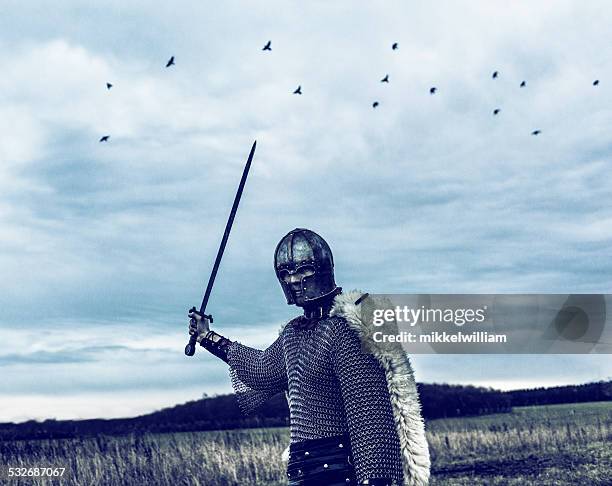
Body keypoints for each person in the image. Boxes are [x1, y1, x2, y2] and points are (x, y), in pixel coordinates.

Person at [189, 228, 430, 485]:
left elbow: (370, 422)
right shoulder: (293, 333)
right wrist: (207, 337)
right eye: (286, 273)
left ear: (323, 269)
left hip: (341, 471)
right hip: (303, 470)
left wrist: (374, 480)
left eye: (303, 270)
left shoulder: (348, 329)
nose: (293, 280)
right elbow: (262, 370)